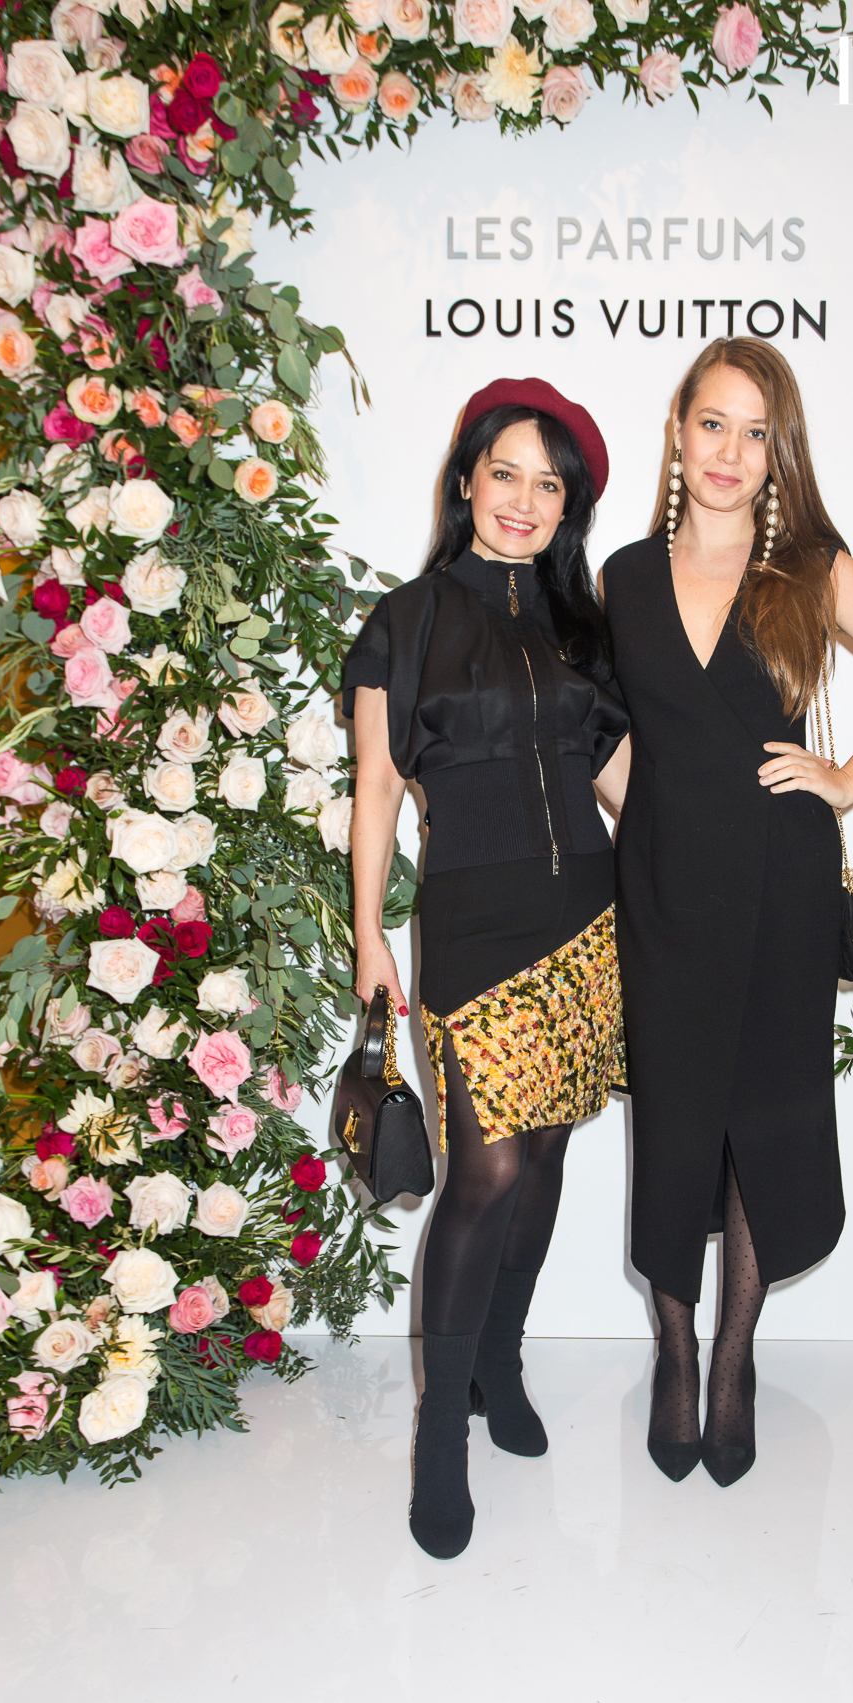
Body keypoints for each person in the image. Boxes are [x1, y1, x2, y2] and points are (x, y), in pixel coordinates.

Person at [601, 338, 853, 1487]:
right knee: (673, 1122)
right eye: (713, 423)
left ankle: (734, 1359)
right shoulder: (623, 578)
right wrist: (652, 810)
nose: (730, 451)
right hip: (664, 890)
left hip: (781, 887)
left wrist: (845, 779)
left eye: (757, 433)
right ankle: (673, 1349)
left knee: (765, 1114)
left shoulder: (808, 568)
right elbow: (605, 735)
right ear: (678, 430)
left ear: (779, 453)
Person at [344, 378, 630, 1559]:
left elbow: (619, 782)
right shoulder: (404, 621)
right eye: (504, 472)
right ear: (465, 480)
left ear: (568, 508)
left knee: (547, 1155)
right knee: (486, 1170)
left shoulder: (582, 629)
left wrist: (736, 857)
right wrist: (368, 934)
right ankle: (438, 1438)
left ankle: (497, 1368)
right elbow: (375, 789)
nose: (522, 499)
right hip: (471, 925)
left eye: (547, 484)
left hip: (588, 919)